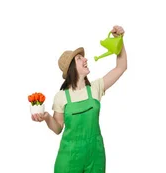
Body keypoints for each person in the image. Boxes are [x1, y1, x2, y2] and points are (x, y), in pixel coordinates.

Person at [31, 25, 127, 173]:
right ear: (71, 68)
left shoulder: (96, 88)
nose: (85, 59)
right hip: (69, 159)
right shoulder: (61, 96)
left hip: (95, 156)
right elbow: (57, 128)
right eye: (79, 58)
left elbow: (121, 67)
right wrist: (46, 117)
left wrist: (119, 41)